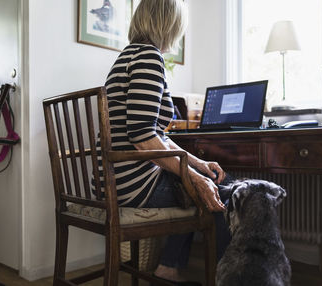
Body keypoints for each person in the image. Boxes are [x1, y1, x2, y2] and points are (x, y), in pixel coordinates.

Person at [100, 0, 231, 285]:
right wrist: (194, 178)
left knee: (204, 178)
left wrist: (196, 164)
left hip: (114, 179)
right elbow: (143, 138)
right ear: (169, 23)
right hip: (130, 185)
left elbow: (155, 136)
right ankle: (224, 278)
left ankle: (169, 268)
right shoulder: (148, 58)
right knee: (225, 194)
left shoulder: (128, 56)